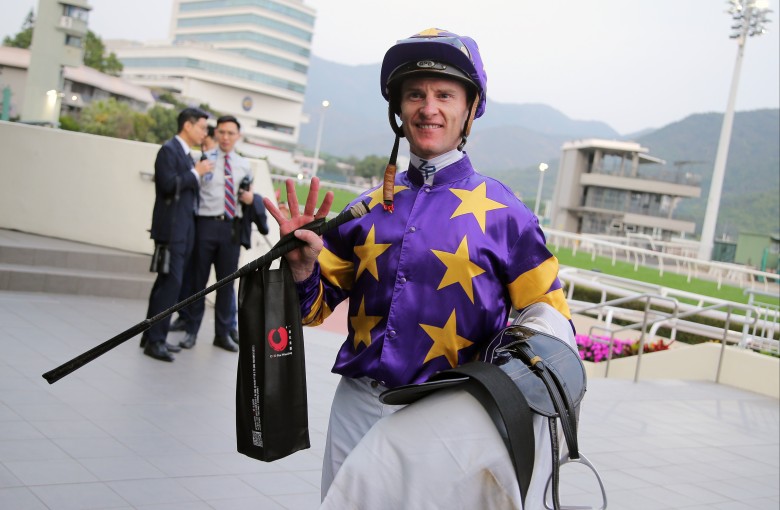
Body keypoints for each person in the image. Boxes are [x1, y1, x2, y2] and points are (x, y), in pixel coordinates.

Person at [262, 28, 574, 505]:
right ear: (399, 110)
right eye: (415, 95)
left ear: (469, 109)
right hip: (358, 405)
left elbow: (554, 331)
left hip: (451, 417)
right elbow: (311, 310)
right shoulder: (365, 209)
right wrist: (303, 268)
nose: (429, 108)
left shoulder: (509, 216)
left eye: (444, 95)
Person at [175, 115, 269, 351]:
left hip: (231, 228)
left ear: (238, 136)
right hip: (205, 225)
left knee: (226, 284)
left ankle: (223, 333)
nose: (226, 137)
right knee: (198, 281)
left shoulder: (244, 165)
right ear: (215, 133)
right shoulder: (203, 159)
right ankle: (191, 331)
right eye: (222, 132)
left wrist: (249, 198)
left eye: (231, 133)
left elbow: (248, 192)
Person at [141, 107, 214, 362]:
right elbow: (168, 185)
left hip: (184, 230)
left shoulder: (185, 154)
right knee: (169, 285)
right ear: (188, 126)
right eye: (202, 128)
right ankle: (155, 341)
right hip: (172, 231)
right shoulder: (169, 151)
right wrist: (196, 173)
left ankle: (150, 336)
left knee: (167, 284)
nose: (205, 133)